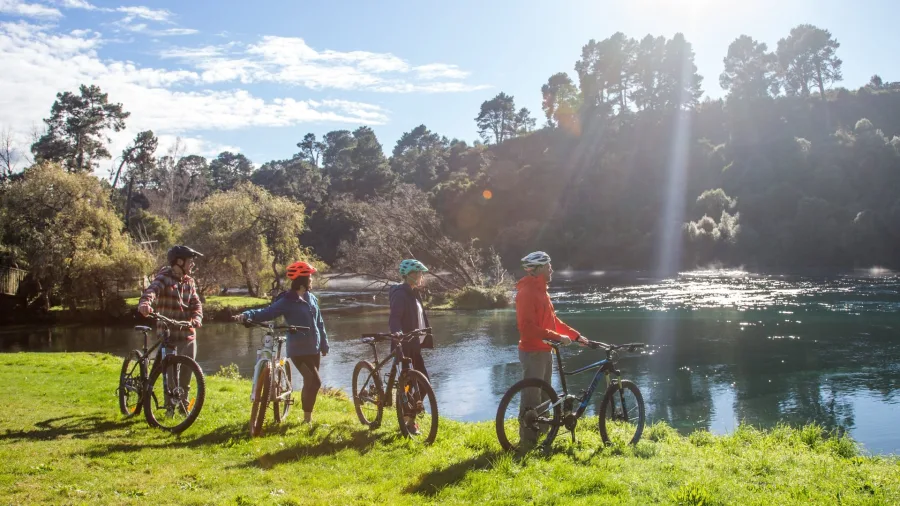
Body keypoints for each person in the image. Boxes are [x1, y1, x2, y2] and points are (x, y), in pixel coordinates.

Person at [234, 261, 329, 424]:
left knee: (311, 383)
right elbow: (267, 312)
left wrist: (324, 343)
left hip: (314, 348)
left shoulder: (311, 298)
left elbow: (319, 322)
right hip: (298, 349)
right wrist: (247, 314)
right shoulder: (287, 300)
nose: (312, 280)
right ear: (302, 280)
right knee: (315, 381)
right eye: (309, 277)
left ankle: (307, 417)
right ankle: (307, 420)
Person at [515, 251, 588, 445]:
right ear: (538, 269)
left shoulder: (542, 291)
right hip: (532, 352)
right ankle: (527, 443)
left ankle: (543, 437)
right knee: (531, 398)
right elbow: (527, 328)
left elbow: (552, 321)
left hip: (545, 350)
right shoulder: (526, 293)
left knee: (546, 397)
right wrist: (557, 337)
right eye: (548, 266)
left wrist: (575, 335)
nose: (551, 269)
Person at [138, 245, 205, 361]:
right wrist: (145, 303)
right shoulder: (164, 277)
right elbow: (152, 289)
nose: (193, 264)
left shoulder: (190, 281)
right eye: (190, 261)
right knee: (170, 377)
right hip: (168, 337)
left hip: (188, 335)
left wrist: (197, 317)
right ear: (179, 262)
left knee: (186, 376)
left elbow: (196, 303)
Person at [389, 259, 433, 435]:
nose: (421, 276)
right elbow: (395, 317)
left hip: (415, 345)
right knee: (407, 385)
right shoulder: (401, 294)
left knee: (423, 383)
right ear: (411, 275)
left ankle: (412, 413)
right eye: (419, 273)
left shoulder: (414, 293)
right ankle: (408, 422)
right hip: (404, 345)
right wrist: (397, 332)